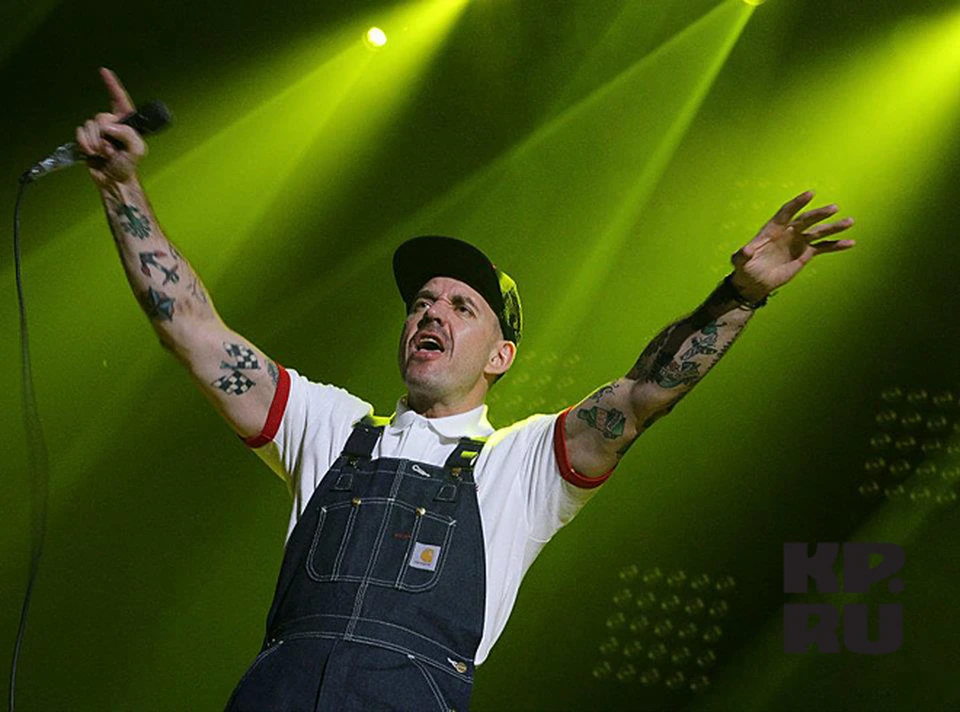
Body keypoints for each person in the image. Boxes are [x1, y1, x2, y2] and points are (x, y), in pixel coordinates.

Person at [77, 67, 856, 711]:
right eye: (422, 301)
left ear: (501, 355)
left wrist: (738, 296)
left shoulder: (524, 465)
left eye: (461, 306)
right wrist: (120, 186)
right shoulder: (328, 425)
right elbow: (193, 330)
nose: (431, 312)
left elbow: (644, 393)